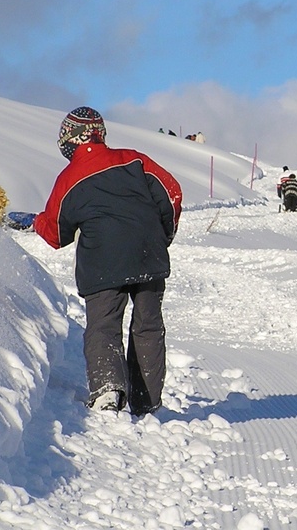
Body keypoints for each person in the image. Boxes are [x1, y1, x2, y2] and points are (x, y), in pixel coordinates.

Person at [32, 107, 183, 416]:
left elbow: (56, 233)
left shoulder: (70, 178)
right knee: (148, 326)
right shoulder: (135, 160)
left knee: (103, 326)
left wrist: (35, 221)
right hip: (148, 254)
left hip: (103, 263)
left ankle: (107, 390)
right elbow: (172, 193)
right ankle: (147, 401)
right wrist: (161, 234)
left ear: (70, 139)